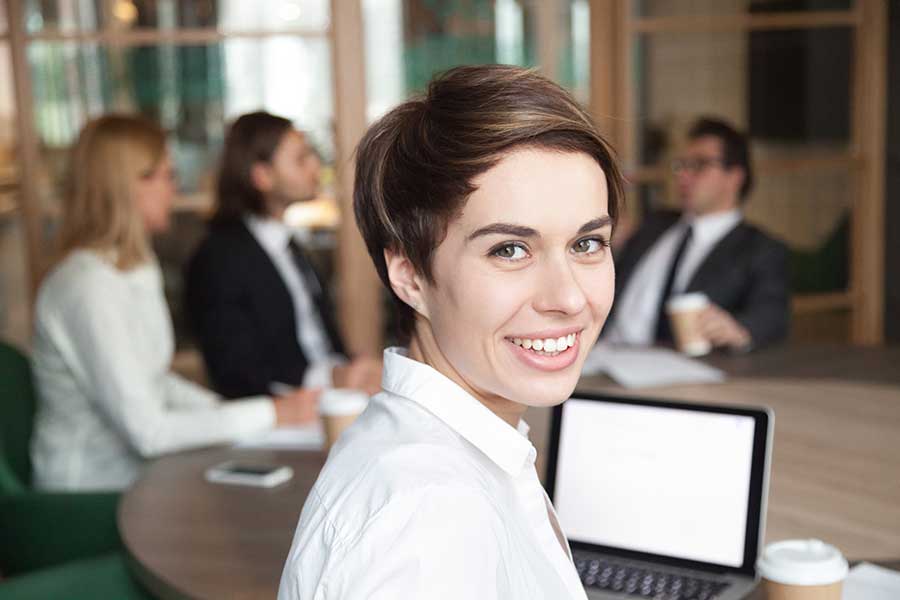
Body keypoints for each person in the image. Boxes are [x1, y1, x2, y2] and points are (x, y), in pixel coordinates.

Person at [278, 65, 623, 599]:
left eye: (587, 244)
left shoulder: (456, 458)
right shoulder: (428, 517)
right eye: (509, 249)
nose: (570, 298)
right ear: (410, 276)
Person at [30, 115, 319, 492]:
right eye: (167, 175)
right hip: (88, 496)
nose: (176, 186)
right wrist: (269, 413)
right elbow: (148, 431)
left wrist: (256, 413)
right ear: (128, 186)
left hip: (142, 478)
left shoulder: (134, 266)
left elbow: (154, 382)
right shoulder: (86, 288)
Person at [185, 112, 380, 399]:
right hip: (281, 418)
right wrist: (333, 376)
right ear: (262, 176)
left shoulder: (291, 247)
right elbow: (235, 372)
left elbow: (320, 344)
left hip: (332, 400)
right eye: (301, 158)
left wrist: (353, 368)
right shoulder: (219, 258)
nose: (316, 165)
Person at [605, 117, 789, 351]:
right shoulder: (654, 224)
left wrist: (740, 329)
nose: (684, 176)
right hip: (603, 352)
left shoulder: (760, 249)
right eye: (682, 165)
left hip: (675, 370)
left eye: (700, 165)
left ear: (735, 176)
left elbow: (772, 315)